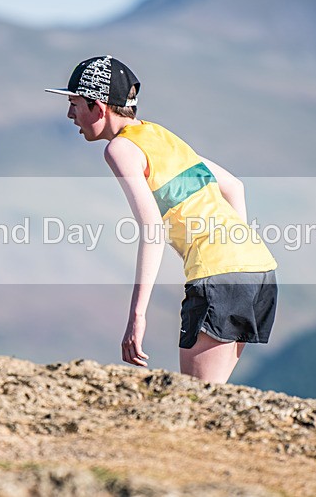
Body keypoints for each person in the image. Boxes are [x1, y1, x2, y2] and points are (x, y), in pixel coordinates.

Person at [46, 55, 277, 384]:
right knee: (215, 398)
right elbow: (234, 187)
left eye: (74, 103)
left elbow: (152, 230)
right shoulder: (161, 136)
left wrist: (137, 316)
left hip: (219, 275)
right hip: (258, 270)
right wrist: (238, 251)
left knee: (198, 401)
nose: (70, 114)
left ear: (98, 107)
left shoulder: (120, 150)